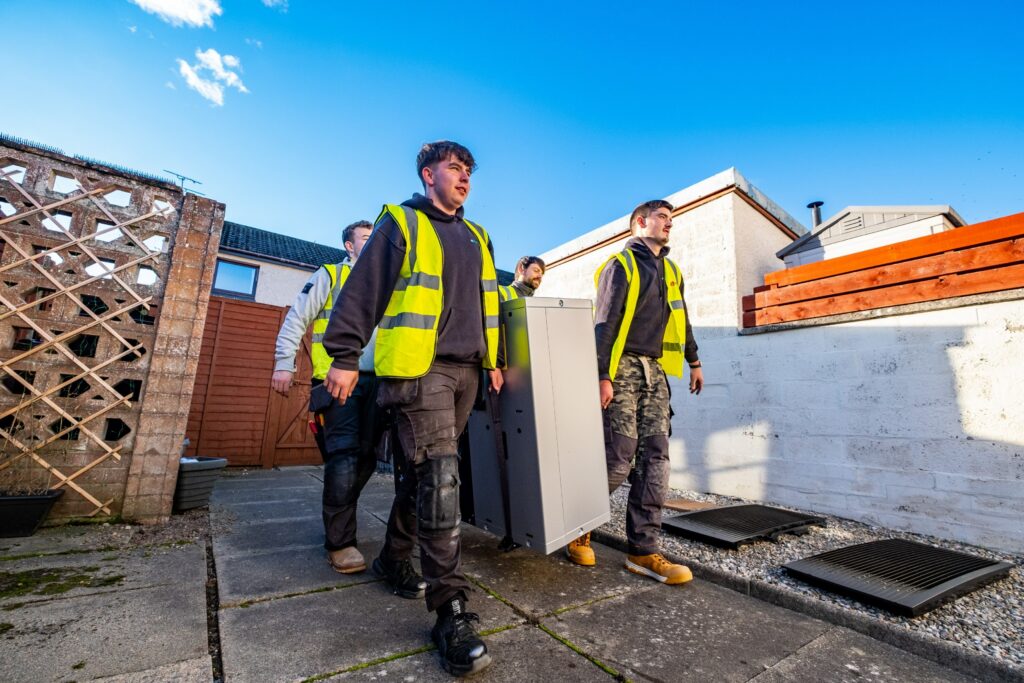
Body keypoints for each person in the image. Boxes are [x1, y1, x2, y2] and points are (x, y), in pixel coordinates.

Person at [321, 141, 500, 677]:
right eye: (454, 167)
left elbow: (488, 299)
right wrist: (345, 354)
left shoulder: (477, 235)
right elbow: (363, 289)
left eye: (469, 169)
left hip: (468, 371)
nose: (464, 175)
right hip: (420, 370)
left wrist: (496, 358)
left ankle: (393, 557)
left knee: (423, 479)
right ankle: (451, 610)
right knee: (442, 479)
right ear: (429, 175)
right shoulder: (401, 222)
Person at [566, 199, 704, 585]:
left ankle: (643, 552)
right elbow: (604, 323)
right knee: (619, 455)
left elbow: (683, 318)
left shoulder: (671, 271)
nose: (668, 224)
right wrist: (600, 375)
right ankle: (578, 525)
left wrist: (694, 361)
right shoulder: (620, 265)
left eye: (671, 219)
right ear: (640, 222)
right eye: (662, 218)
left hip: (655, 372)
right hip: (622, 367)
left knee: (656, 458)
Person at [270, 220, 414, 583]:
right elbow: (296, 318)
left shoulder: (390, 283)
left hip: (380, 382)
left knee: (365, 460)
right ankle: (340, 542)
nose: (374, 244)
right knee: (344, 457)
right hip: (336, 382)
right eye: (367, 239)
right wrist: (283, 364)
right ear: (349, 246)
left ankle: (341, 515)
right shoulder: (330, 275)